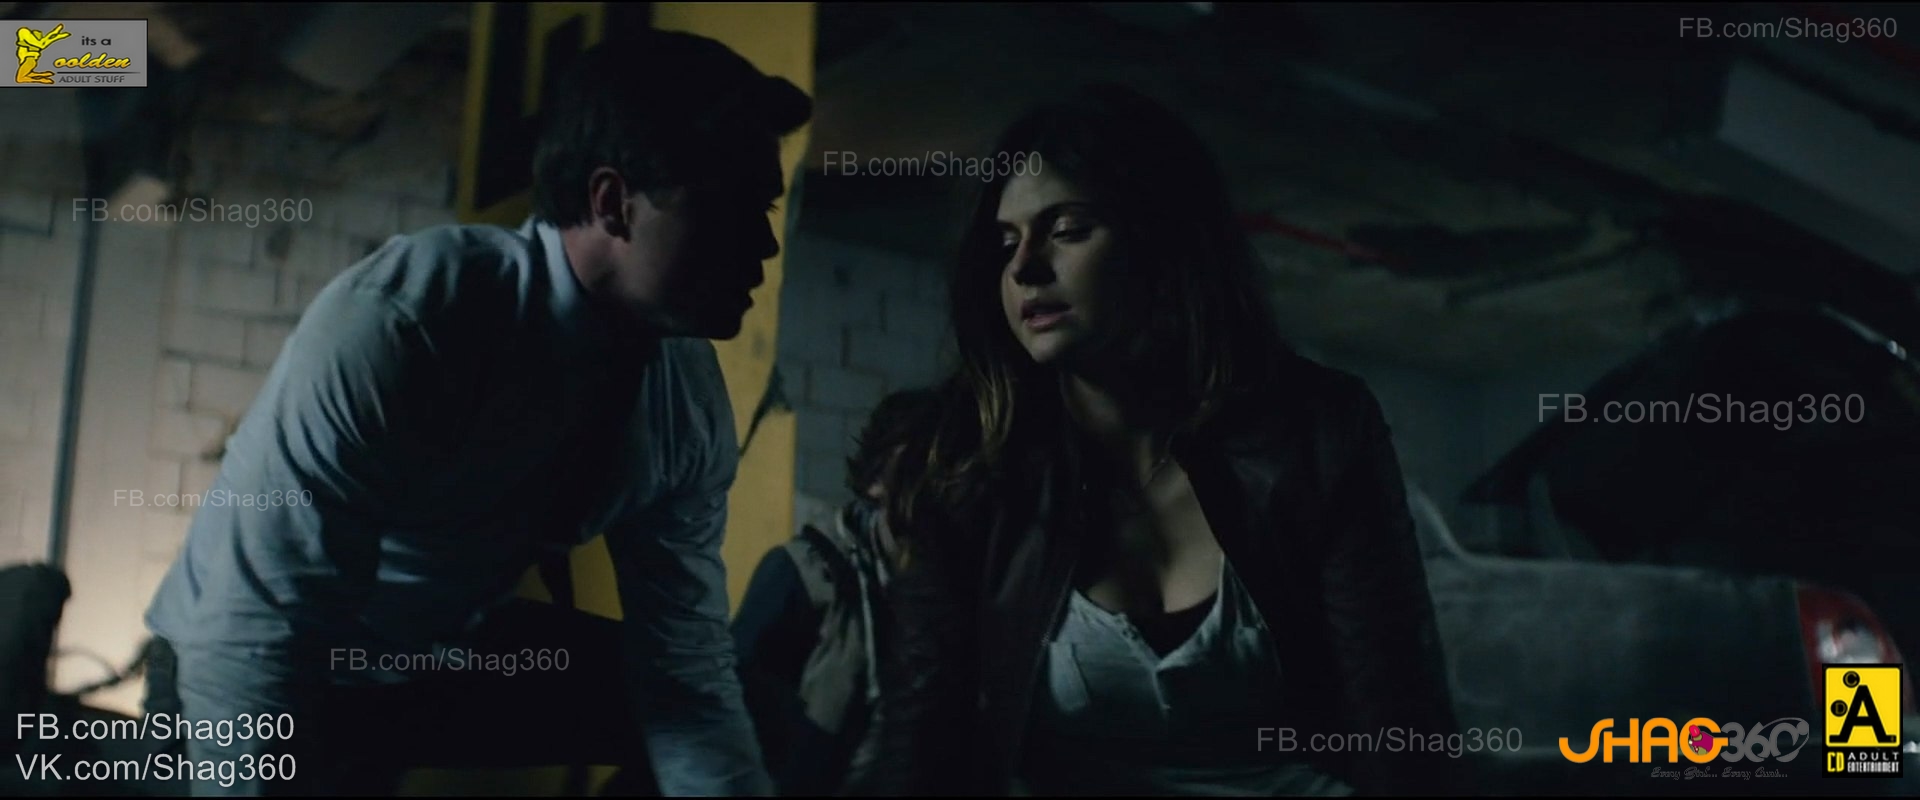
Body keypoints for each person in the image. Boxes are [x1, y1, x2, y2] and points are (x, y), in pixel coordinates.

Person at [139, 30, 810, 796]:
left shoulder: (684, 401)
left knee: (752, 712)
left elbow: (682, 665)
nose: (765, 245)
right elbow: (257, 631)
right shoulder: (409, 322)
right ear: (613, 203)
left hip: (427, 655)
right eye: (733, 208)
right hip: (239, 664)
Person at [864, 85, 1465, 796]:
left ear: (1162, 240)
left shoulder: (1318, 428)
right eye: (1005, 243)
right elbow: (921, 735)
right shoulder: (966, 459)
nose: (1024, 267)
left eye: (1068, 229)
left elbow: (1399, 719)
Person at [731, 388, 938, 796]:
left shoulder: (948, 599)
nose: (935, 485)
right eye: (920, 465)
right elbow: (728, 708)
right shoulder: (803, 574)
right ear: (877, 478)